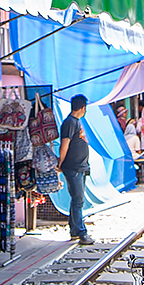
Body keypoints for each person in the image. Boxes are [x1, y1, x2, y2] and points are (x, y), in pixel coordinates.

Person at [59, 94, 93, 240]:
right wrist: (60, 162)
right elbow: (64, 144)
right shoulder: (70, 122)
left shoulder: (75, 122)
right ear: (83, 108)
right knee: (78, 199)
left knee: (77, 199)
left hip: (80, 166)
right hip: (73, 167)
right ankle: (81, 232)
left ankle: (74, 229)